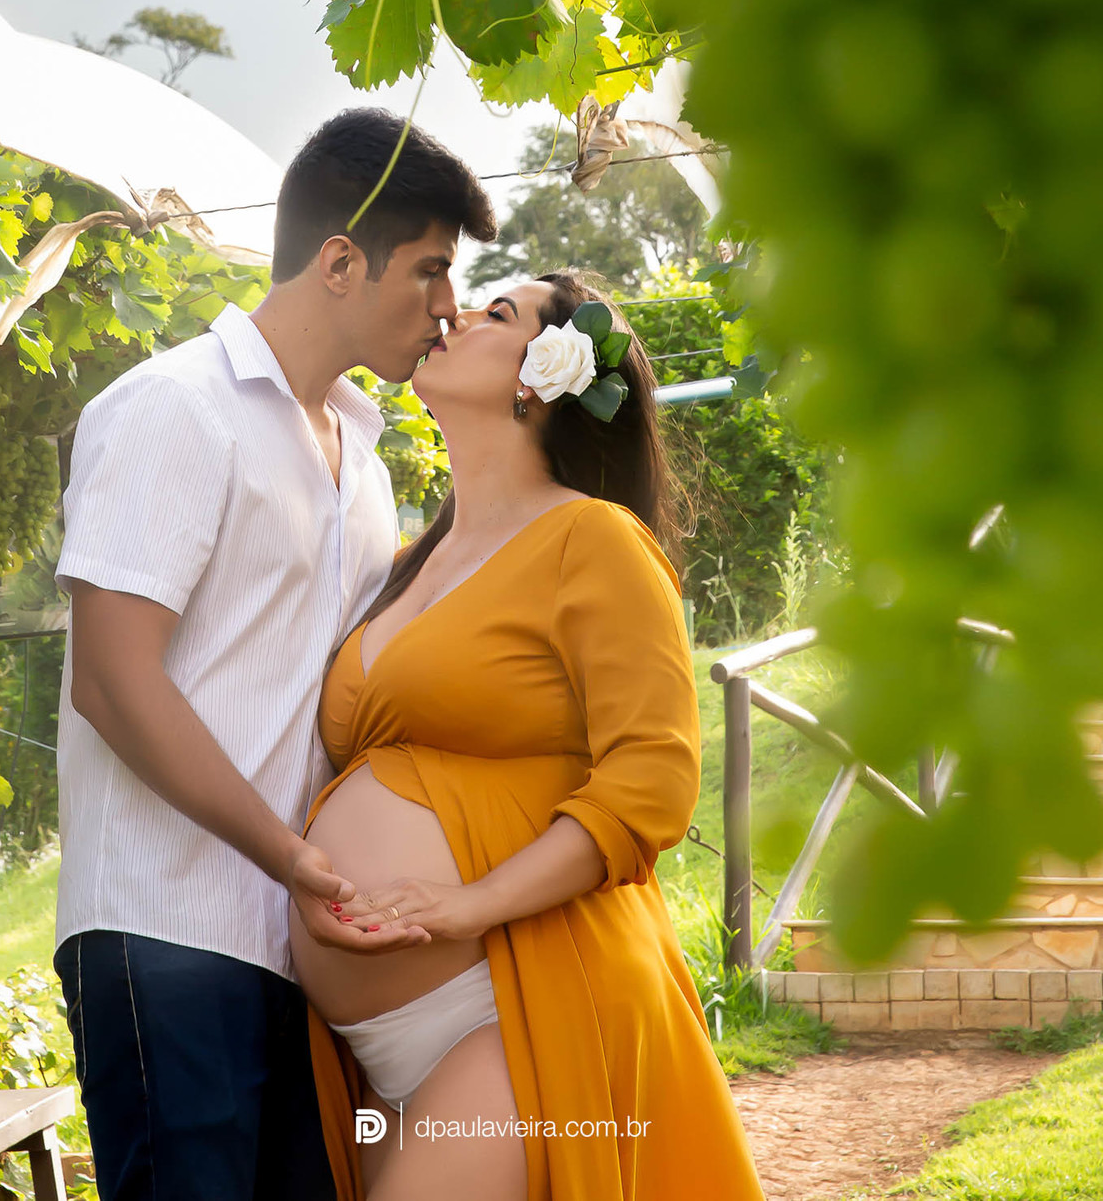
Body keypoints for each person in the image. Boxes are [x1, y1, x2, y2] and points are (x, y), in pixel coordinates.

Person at [51, 108, 496, 1201]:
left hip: (300, 952)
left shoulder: (370, 463)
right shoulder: (172, 407)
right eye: (433, 270)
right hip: (164, 929)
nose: (448, 307)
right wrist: (288, 854)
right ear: (342, 260)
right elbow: (112, 679)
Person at [292, 270, 765, 1201]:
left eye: (496, 313)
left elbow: (651, 785)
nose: (453, 312)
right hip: (380, 1050)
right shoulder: (403, 562)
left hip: (521, 997)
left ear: (540, 377)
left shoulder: (595, 539)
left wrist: (470, 905)